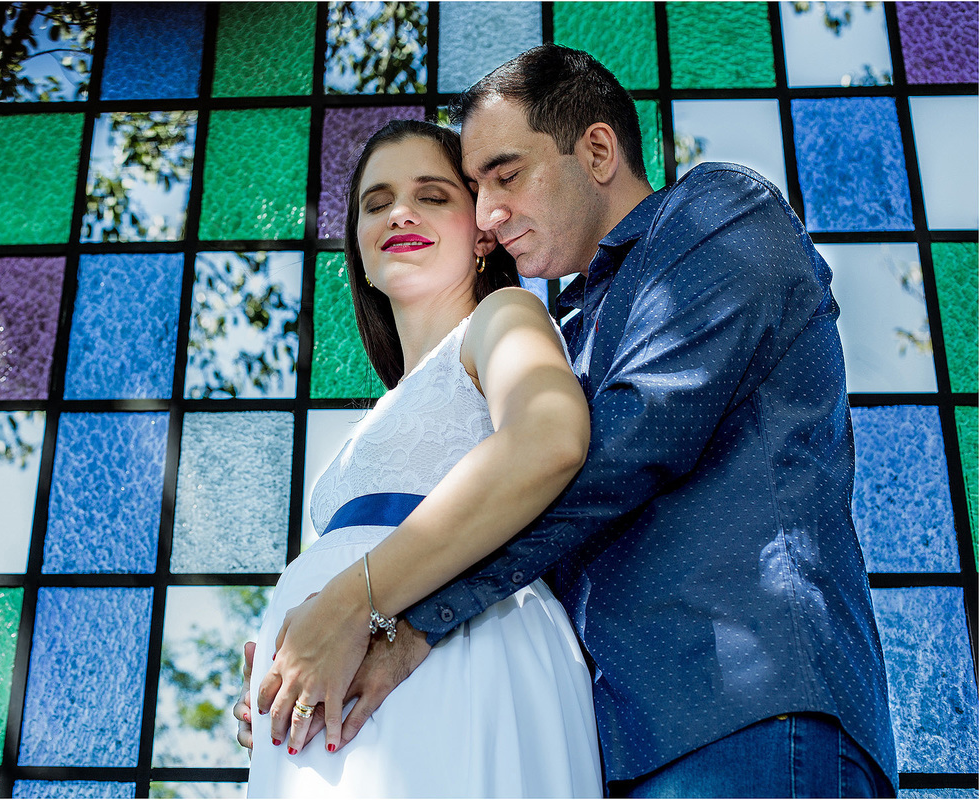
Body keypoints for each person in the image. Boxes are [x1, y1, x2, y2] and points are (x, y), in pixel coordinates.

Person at [246, 46, 898, 798]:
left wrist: (388, 613)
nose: (488, 214)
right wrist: (296, 656)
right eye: (477, 190)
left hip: (744, 706)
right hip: (617, 740)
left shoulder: (716, 213)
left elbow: (634, 436)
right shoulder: (567, 334)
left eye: (505, 176)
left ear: (596, 151)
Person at [244, 118, 603, 797]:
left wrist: (345, 603)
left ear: (483, 235)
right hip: (339, 700)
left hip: (460, 653)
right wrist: (286, 656)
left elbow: (549, 437)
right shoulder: (373, 421)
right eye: (376, 203)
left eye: (432, 196)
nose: (399, 212)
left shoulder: (502, 318)